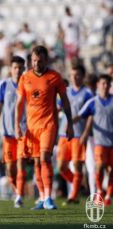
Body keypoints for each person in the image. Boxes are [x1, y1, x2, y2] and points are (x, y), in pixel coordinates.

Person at [15, 45, 74, 210]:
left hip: (48, 124)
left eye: (39, 60)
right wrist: (17, 125)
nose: (36, 63)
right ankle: (42, 197)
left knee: (45, 158)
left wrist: (69, 124)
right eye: (33, 60)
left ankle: (49, 197)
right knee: (36, 163)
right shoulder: (25, 78)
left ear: (46, 60)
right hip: (31, 128)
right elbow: (19, 104)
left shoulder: (55, 77)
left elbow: (65, 102)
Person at [0, 56, 28, 208]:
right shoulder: (4, 84)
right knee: (10, 169)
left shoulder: (28, 84)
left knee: (20, 165)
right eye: (15, 67)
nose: (18, 70)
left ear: (24, 69)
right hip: (7, 133)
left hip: (23, 133)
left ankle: (19, 196)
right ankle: (17, 190)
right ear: (11, 68)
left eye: (20, 68)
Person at [56, 64, 93, 205]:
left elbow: (91, 115)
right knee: (61, 167)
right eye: (72, 75)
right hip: (64, 135)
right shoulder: (66, 91)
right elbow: (58, 108)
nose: (74, 77)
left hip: (78, 135)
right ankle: (79, 185)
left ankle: (73, 196)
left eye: (77, 75)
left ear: (82, 76)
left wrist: (85, 133)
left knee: (77, 165)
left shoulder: (88, 93)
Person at [76, 74, 113, 206]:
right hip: (99, 142)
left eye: (107, 84)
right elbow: (80, 115)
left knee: (111, 170)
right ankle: (99, 191)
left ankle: (108, 195)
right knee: (98, 167)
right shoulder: (93, 102)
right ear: (98, 85)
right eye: (103, 83)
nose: (105, 86)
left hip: (112, 143)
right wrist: (69, 122)